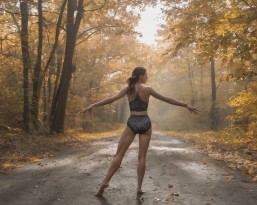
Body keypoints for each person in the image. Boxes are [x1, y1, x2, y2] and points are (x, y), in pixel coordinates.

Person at [80, 67, 200, 196]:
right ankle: (139, 188)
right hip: (145, 122)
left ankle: (105, 181)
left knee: (119, 155)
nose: (147, 77)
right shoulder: (148, 89)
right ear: (141, 76)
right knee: (142, 157)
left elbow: (111, 98)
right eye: (146, 74)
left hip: (132, 121)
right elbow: (168, 99)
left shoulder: (128, 89)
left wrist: (93, 105)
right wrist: (186, 105)